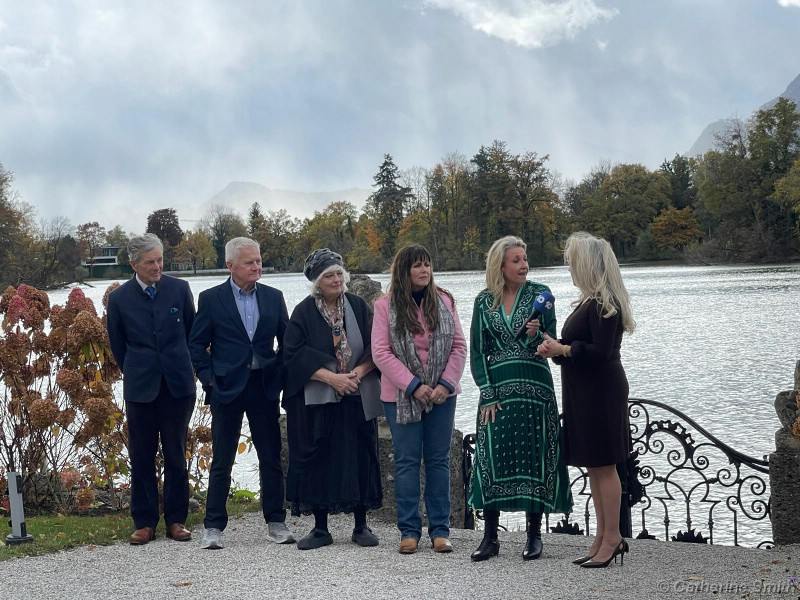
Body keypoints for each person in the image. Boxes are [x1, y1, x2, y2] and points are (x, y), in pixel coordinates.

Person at [468, 235, 573, 562]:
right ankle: (490, 537)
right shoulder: (483, 301)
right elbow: (477, 351)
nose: (524, 265)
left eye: (525, 259)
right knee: (491, 456)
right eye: (516, 260)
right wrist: (487, 392)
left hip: (535, 389)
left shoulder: (542, 295)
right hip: (498, 392)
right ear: (500, 265)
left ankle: (533, 535)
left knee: (534, 456)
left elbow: (553, 343)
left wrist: (537, 334)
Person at [536, 232, 635, 568]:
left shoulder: (606, 303)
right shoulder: (589, 301)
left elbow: (601, 353)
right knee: (595, 467)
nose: (570, 269)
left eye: (573, 263)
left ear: (589, 265)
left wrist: (563, 349)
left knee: (605, 466)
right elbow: (579, 349)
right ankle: (602, 536)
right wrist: (554, 346)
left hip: (601, 392)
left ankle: (613, 537)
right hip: (584, 391)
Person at [189, 237, 294, 550]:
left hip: (264, 386)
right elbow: (196, 345)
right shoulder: (211, 299)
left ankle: (276, 521)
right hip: (226, 387)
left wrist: (279, 375)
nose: (257, 267)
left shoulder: (274, 297)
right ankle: (213, 526)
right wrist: (209, 379)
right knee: (222, 458)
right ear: (230, 265)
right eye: (250, 262)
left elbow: (287, 342)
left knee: (270, 456)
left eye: (258, 261)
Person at [283, 249, 383, 550]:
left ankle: (361, 525)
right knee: (320, 458)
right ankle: (320, 527)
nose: (337, 280)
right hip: (320, 397)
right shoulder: (303, 312)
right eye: (329, 276)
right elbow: (292, 355)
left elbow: (376, 347)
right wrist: (332, 378)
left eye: (340, 274)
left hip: (357, 393)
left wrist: (356, 374)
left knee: (361, 455)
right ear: (317, 281)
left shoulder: (358, 306)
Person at [371, 244, 467, 555]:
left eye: (427, 264)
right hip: (401, 394)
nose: (424, 270)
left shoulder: (445, 301)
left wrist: (445, 384)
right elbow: (381, 353)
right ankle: (409, 531)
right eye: (417, 266)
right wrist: (414, 386)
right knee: (407, 461)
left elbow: (459, 346)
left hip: (442, 394)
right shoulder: (384, 306)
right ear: (404, 270)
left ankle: (440, 530)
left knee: (438, 460)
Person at [106, 233, 196, 545]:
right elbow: (118, 346)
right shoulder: (119, 299)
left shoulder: (179, 289)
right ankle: (144, 522)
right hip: (140, 387)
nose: (157, 266)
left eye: (160, 260)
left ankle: (176, 520)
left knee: (175, 454)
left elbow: (191, 333)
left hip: (177, 385)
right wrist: (138, 369)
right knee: (142, 456)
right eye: (150, 262)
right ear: (134, 264)